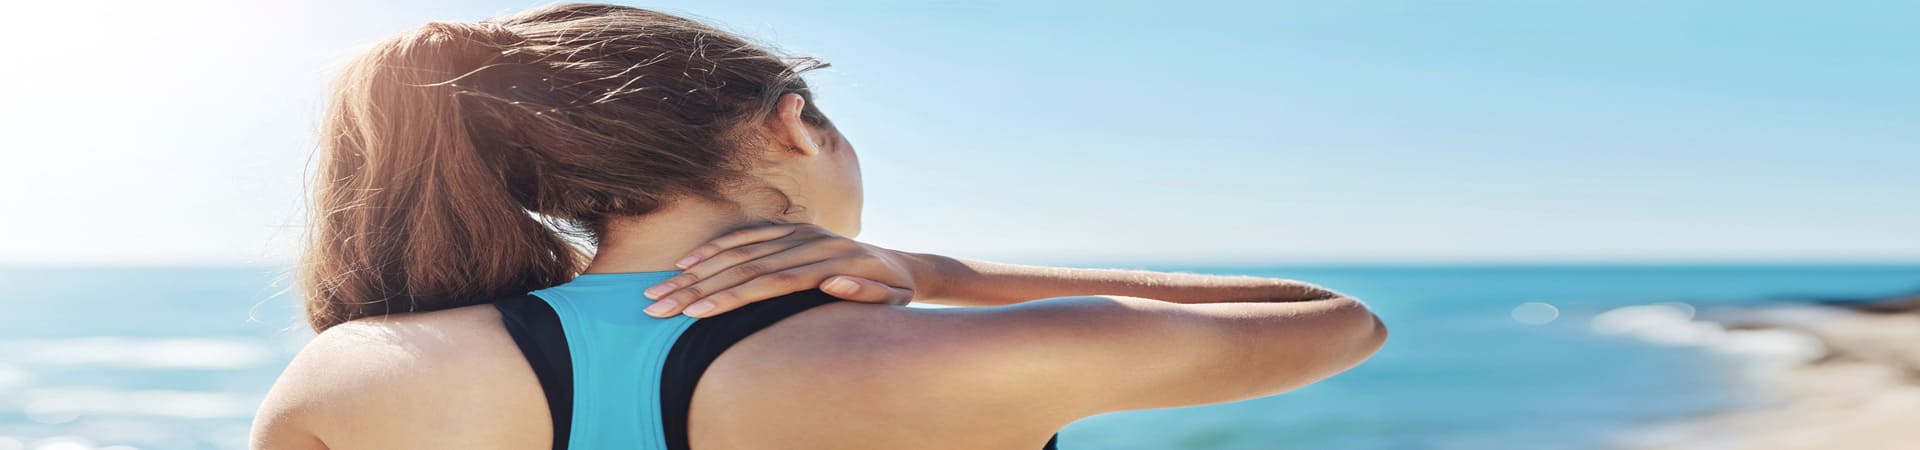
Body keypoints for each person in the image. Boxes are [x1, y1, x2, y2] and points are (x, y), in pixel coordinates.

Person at [251, 3, 1387, 449]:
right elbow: (1339, 325)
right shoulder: (987, 357)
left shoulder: (353, 373)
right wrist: (940, 273)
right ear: (790, 126)